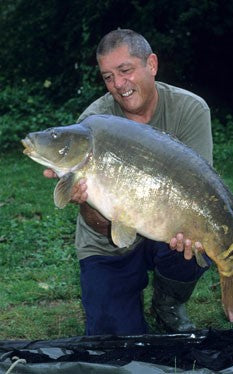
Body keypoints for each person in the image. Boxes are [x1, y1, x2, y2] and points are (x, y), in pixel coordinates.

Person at [44, 29, 213, 335]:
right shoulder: (91, 125)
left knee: (201, 236)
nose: (118, 85)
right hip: (108, 241)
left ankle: (168, 303)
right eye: (108, 77)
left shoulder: (190, 109)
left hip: (165, 226)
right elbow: (96, 224)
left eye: (125, 71)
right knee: (113, 342)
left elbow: (203, 193)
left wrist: (195, 227)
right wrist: (85, 200)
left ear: (151, 64)